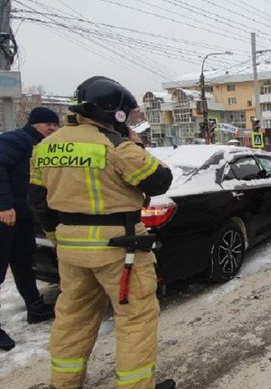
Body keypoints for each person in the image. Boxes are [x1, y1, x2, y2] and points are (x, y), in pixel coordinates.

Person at [27, 76, 175, 389]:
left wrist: (59, 240)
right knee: (135, 319)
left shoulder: (45, 147)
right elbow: (159, 180)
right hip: (121, 251)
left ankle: (64, 383)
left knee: (72, 317)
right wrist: (136, 144)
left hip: (70, 250)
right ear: (115, 113)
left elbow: (38, 202)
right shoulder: (116, 145)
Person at [0, 107, 60, 351]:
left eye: (56, 126)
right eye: (49, 125)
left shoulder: (42, 145)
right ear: (36, 124)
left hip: (23, 217)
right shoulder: (15, 140)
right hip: (5, 216)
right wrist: (3, 205)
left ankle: (35, 307)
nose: (53, 130)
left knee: (23, 261)